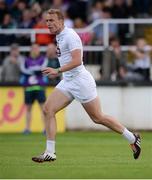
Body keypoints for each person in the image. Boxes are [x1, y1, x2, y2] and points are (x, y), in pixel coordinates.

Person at [32, 9, 141, 163]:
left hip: (81, 81)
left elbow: (77, 60)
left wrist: (57, 70)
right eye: (47, 21)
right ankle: (50, 152)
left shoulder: (70, 36)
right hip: (68, 81)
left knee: (98, 118)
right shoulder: (59, 36)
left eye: (52, 20)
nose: (48, 24)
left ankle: (132, 138)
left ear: (61, 21)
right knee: (48, 109)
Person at [20, 43, 48, 134]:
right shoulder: (26, 61)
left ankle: (45, 128)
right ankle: (27, 128)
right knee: (28, 109)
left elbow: (43, 69)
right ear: (30, 50)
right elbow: (23, 70)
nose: (35, 50)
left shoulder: (43, 59)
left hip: (39, 87)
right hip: (28, 88)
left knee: (43, 108)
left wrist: (33, 70)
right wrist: (35, 71)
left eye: (37, 48)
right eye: (33, 48)